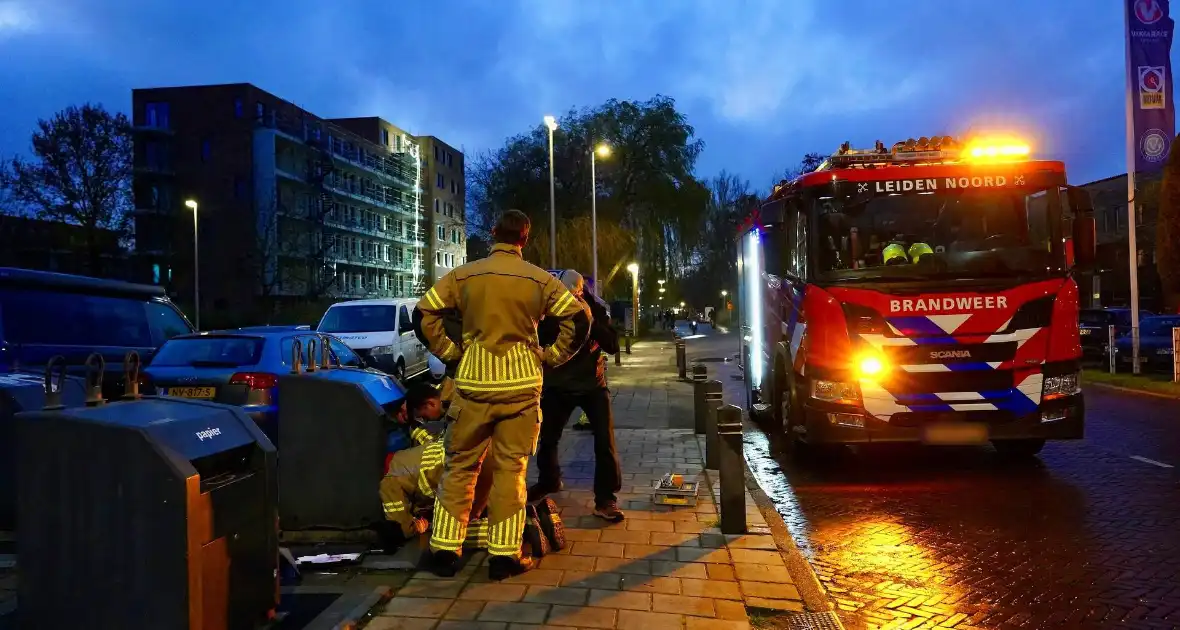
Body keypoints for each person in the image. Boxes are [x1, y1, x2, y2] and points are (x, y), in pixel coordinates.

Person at [416, 210, 590, 580]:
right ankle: (504, 556)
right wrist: (551, 357)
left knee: (460, 467)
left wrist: (450, 352)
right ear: (524, 239)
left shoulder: (464, 275)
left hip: (473, 387)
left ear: (494, 233)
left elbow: (424, 314)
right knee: (512, 471)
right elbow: (578, 319)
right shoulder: (539, 280)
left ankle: (445, 551)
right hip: (521, 390)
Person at [529, 270, 624, 522]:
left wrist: (591, 324)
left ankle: (605, 499)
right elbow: (536, 341)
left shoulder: (594, 308)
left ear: (581, 290)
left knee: (605, 441)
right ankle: (549, 481)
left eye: (574, 291)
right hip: (558, 384)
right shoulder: (548, 311)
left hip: (593, 383)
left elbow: (613, 344)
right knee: (547, 438)